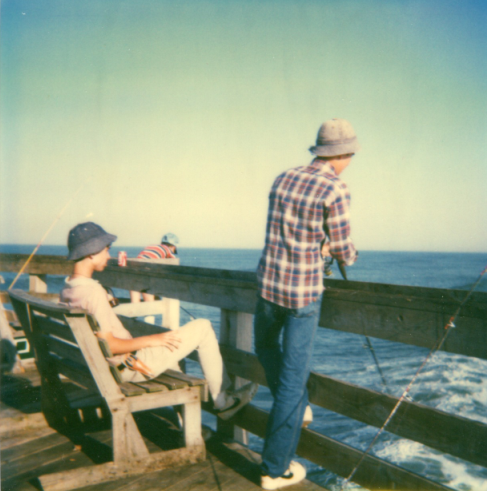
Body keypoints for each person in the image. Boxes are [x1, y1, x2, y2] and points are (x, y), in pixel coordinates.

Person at [60, 222, 257, 421]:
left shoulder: (68, 288)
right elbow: (110, 344)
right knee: (203, 327)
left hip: (106, 367)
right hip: (129, 368)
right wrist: (153, 339)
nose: (109, 256)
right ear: (91, 252)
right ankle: (223, 402)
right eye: (106, 250)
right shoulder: (93, 292)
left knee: (174, 362)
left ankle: (186, 426)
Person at [254, 118, 359, 490]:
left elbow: (288, 231)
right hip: (302, 295)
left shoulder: (283, 177)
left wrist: (319, 241)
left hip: (268, 286)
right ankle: (274, 468)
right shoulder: (336, 188)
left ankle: (297, 404)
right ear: (343, 154)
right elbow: (344, 248)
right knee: (293, 381)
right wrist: (344, 252)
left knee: (264, 349)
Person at [130, 233, 179, 303]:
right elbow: (174, 262)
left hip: (133, 270)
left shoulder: (152, 247)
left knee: (135, 304)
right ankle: (149, 313)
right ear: (173, 247)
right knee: (150, 304)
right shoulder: (167, 250)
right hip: (145, 272)